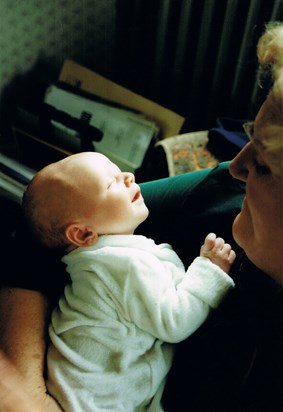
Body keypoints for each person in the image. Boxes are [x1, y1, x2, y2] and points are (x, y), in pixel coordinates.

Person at [0, 19, 282, 411]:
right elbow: (30, 244)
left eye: (265, 165)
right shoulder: (218, 194)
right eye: (250, 135)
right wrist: (28, 399)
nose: (236, 165)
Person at [20, 151, 235, 412]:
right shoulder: (122, 266)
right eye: (111, 183)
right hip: (91, 402)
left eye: (119, 169)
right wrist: (210, 271)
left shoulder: (99, 263)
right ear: (83, 232)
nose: (128, 176)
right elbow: (175, 321)